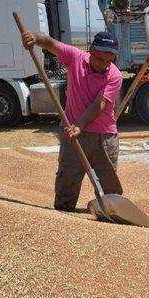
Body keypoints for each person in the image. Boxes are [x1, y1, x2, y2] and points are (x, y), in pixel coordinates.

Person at [21, 30, 124, 211]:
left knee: (108, 182)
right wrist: (35, 38)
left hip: (104, 137)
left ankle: (111, 214)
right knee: (67, 177)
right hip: (72, 134)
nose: (105, 65)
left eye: (110, 60)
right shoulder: (75, 58)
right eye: (100, 59)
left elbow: (99, 104)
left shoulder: (114, 75)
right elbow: (50, 43)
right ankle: (63, 214)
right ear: (91, 50)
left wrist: (80, 125)